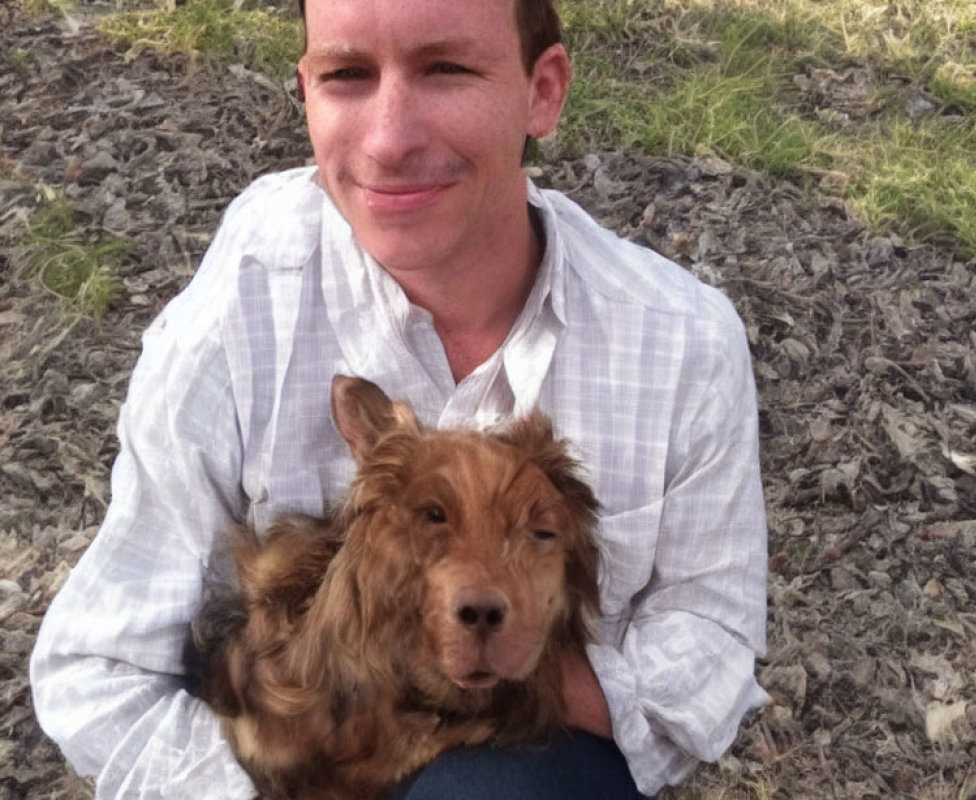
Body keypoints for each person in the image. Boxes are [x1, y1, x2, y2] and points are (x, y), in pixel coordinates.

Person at [30, 0, 769, 797]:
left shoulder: (680, 343)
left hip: (520, 766)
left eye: (446, 69)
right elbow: (102, 665)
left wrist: (482, 675)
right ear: (304, 92)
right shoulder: (246, 300)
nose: (388, 141)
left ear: (543, 91)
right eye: (347, 75)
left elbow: (710, 644)